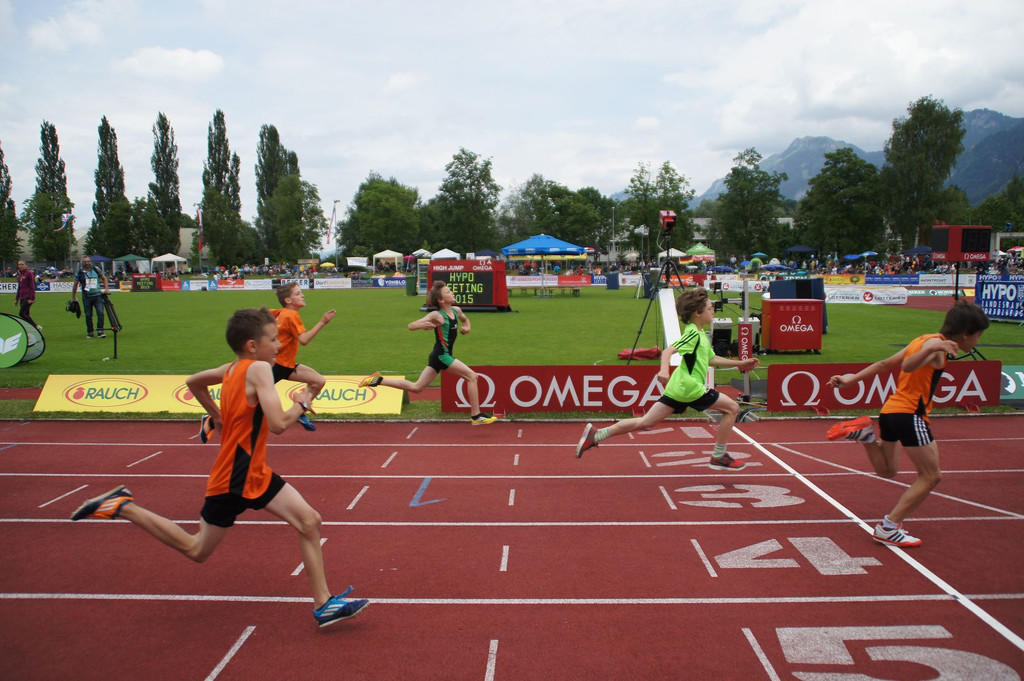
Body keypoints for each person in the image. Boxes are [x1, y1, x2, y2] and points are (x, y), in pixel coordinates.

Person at [70, 308, 368, 628]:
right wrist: (303, 401)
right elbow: (279, 424)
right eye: (273, 340)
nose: (280, 346)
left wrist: (216, 415)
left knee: (309, 521)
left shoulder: (231, 368)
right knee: (197, 549)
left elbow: (193, 382)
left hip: (252, 471)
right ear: (252, 345)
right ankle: (123, 507)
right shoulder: (259, 369)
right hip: (235, 476)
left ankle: (324, 604)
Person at [825, 299, 990, 548]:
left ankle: (866, 436)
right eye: (978, 336)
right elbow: (909, 365)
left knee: (887, 471)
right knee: (931, 476)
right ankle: (889, 527)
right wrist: (936, 348)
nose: (977, 342)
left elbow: (884, 364)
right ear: (966, 333)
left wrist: (850, 380)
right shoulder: (935, 346)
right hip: (911, 415)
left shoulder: (921, 340)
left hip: (891, 411)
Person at [576, 287, 760, 470]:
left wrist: (741, 363)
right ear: (698, 313)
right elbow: (668, 351)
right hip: (690, 387)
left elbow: (711, 359)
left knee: (646, 422)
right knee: (732, 408)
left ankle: (596, 435)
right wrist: (664, 370)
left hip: (678, 387)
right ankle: (719, 455)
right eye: (710, 308)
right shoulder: (692, 334)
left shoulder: (700, 335)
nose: (713, 311)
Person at [359, 280, 497, 425]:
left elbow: (465, 320)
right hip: (442, 355)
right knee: (472, 376)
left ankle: (377, 380)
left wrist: (467, 327)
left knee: (417, 387)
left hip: (438, 356)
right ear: (441, 300)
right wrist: (422, 325)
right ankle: (476, 415)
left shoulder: (457, 310)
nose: (452, 293)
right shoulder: (437, 315)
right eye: (448, 292)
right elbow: (411, 325)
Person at [269, 282, 334, 431]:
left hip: (287, 365)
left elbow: (267, 312)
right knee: (251, 403)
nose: (302, 295)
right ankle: (219, 419)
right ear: (288, 300)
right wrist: (322, 322)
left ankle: (299, 410)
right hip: (276, 366)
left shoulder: (281, 312)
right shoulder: (291, 315)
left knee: (318, 381)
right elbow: (304, 340)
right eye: (298, 294)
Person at [70, 256, 107, 338]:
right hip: (86, 297)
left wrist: (106, 289)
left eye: (88, 261)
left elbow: (104, 278)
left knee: (101, 313)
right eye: (85, 262)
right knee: (88, 315)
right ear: (82, 263)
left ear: (90, 262)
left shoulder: (96, 269)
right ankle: (90, 332)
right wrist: (73, 297)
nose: (87, 263)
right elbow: (75, 285)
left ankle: (100, 331)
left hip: (97, 296)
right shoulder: (80, 272)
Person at [15, 260, 39, 331]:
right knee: (26, 314)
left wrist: (32, 298)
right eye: (19, 264)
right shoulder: (19, 275)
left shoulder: (29, 273)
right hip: (22, 297)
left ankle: (36, 327)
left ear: (26, 265)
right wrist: (16, 299)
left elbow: (32, 286)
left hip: (28, 297)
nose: (20, 266)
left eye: (22, 264)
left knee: (22, 313)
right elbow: (19, 287)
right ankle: (30, 330)